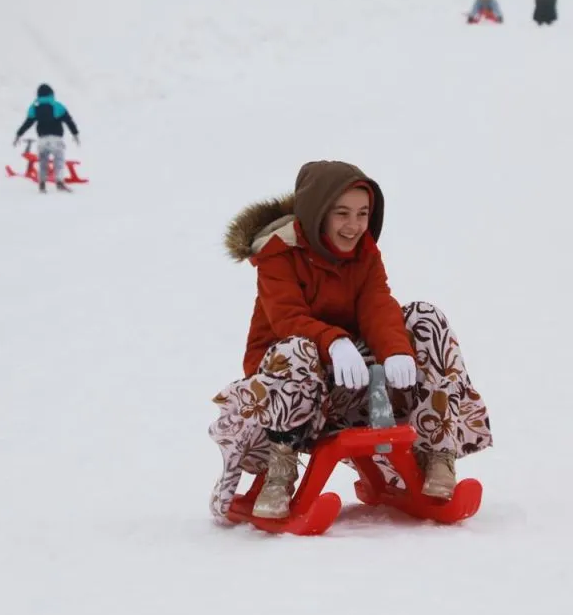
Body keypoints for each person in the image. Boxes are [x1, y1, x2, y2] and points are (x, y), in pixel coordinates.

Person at [207, 160, 494, 521]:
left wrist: (395, 351)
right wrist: (334, 343)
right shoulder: (278, 255)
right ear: (317, 214)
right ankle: (279, 471)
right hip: (290, 395)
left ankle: (437, 449)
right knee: (295, 348)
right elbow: (286, 318)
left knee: (425, 317)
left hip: (355, 383)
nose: (354, 225)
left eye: (362, 213)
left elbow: (377, 303)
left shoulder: (364, 253)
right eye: (342, 213)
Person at [13, 83, 80, 192]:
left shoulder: (34, 107)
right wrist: (75, 134)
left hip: (42, 139)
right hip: (56, 139)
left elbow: (28, 123)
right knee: (59, 161)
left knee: (43, 162)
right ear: (51, 94)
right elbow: (69, 121)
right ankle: (59, 182)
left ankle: (42, 183)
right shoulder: (57, 106)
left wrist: (18, 134)